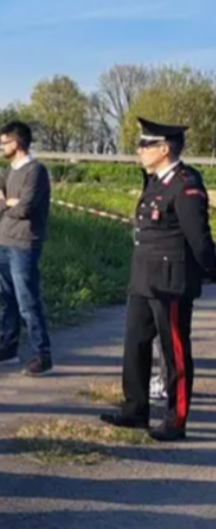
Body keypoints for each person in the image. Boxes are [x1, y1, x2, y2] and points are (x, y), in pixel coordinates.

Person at [101, 117, 215, 442]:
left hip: (170, 282)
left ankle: (176, 420)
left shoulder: (186, 183)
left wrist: (211, 270)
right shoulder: (154, 181)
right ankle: (135, 409)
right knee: (135, 342)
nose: (140, 150)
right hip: (144, 279)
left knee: (174, 350)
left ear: (164, 149)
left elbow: (199, 239)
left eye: (145, 145)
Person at [0, 121, 55, 376]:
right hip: (2, 243)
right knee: (6, 300)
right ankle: (8, 347)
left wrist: (8, 203)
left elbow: (25, 209)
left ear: (16, 143)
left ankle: (42, 353)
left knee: (27, 300)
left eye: (3, 142)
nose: (1, 147)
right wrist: (7, 203)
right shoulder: (8, 172)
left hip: (24, 245)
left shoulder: (36, 171)